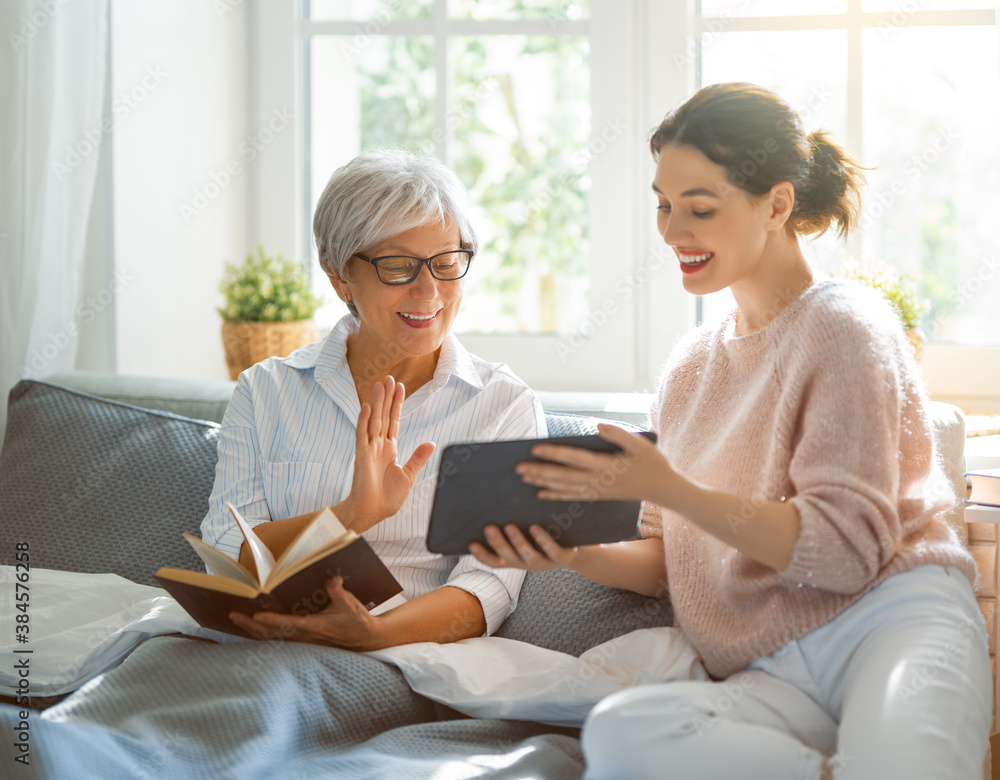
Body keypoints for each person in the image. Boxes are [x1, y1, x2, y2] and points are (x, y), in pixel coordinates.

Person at [470, 82, 991, 779]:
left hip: (889, 621)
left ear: (777, 205)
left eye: (700, 208)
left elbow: (842, 553)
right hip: (774, 667)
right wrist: (565, 553)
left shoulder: (846, 327)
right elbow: (665, 564)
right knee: (625, 735)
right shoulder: (688, 369)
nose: (672, 231)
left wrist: (674, 489)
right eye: (663, 205)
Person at [201, 149, 545, 650]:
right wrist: (351, 516)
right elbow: (229, 554)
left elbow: (488, 584)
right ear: (340, 274)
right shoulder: (265, 391)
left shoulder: (502, 407)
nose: (429, 291)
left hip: (399, 658)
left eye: (447, 263)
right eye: (399, 267)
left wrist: (372, 635)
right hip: (258, 644)